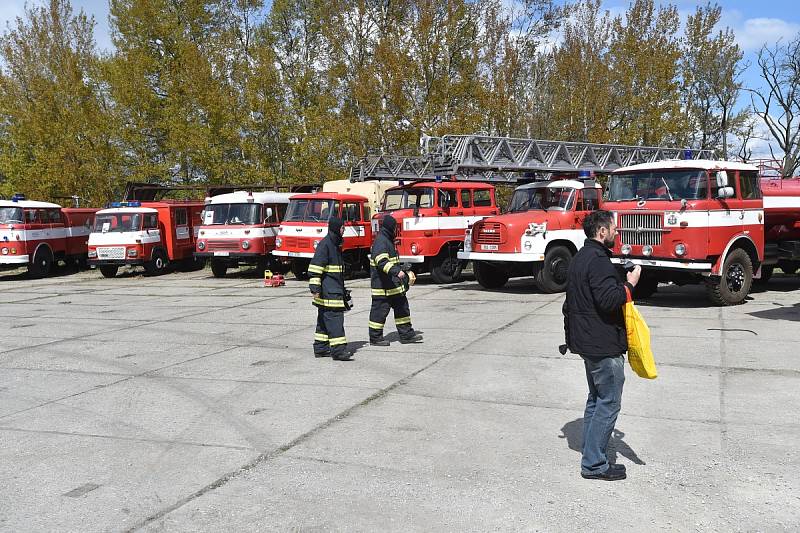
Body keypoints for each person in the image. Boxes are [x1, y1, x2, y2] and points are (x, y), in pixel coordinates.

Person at [562, 210, 641, 481]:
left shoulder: (581, 258)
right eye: (614, 229)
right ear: (602, 232)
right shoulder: (597, 261)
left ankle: (592, 452)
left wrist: (617, 272)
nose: (617, 233)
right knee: (608, 402)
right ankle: (594, 464)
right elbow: (609, 300)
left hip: (587, 342)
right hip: (603, 345)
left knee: (596, 399)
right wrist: (630, 285)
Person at [368, 215, 422, 346]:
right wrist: (397, 271)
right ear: (390, 227)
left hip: (393, 286)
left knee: (402, 308)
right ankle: (375, 338)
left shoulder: (387, 240)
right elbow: (381, 261)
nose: (396, 230)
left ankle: (406, 335)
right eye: (395, 227)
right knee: (379, 313)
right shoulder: (381, 241)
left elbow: (390, 261)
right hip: (383, 288)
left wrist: (401, 267)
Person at [308, 216, 352, 361]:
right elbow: (315, 269)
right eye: (342, 227)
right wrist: (315, 289)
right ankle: (338, 351)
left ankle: (320, 348)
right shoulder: (325, 245)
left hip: (332, 290)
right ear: (335, 228)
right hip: (329, 293)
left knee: (323, 321)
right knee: (335, 320)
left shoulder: (335, 245)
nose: (344, 229)